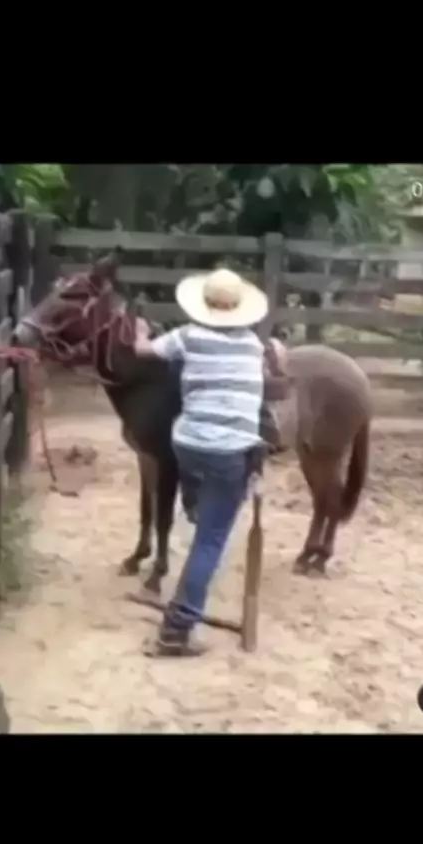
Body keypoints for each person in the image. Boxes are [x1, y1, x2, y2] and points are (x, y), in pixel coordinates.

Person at [134, 268, 270, 657]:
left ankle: (193, 496)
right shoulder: (253, 344)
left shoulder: (188, 336)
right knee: (210, 541)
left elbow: (143, 352)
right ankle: (177, 631)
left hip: (188, 445)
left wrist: (140, 330)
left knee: (199, 476)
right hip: (231, 452)